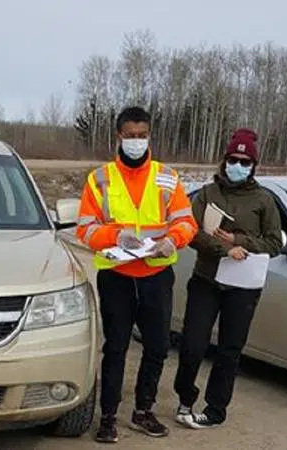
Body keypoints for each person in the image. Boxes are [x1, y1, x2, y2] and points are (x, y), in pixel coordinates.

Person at [75, 106, 198, 443]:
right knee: (115, 348)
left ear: (149, 136)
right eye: (130, 136)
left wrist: (172, 240)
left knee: (158, 347)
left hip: (156, 274)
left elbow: (186, 221)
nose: (136, 141)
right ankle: (108, 417)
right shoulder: (100, 179)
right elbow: (85, 228)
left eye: (142, 135)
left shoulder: (167, 177)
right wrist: (115, 236)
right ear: (119, 136)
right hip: (117, 275)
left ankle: (143, 411)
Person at [172, 127, 283, 429]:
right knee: (193, 345)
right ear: (224, 161)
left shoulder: (264, 200)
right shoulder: (208, 193)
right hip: (206, 280)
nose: (238, 166)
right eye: (233, 160)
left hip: (243, 286)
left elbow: (275, 242)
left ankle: (215, 409)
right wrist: (222, 248)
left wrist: (239, 241)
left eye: (245, 162)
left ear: (253, 166)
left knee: (230, 349)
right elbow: (190, 231)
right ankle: (185, 397)